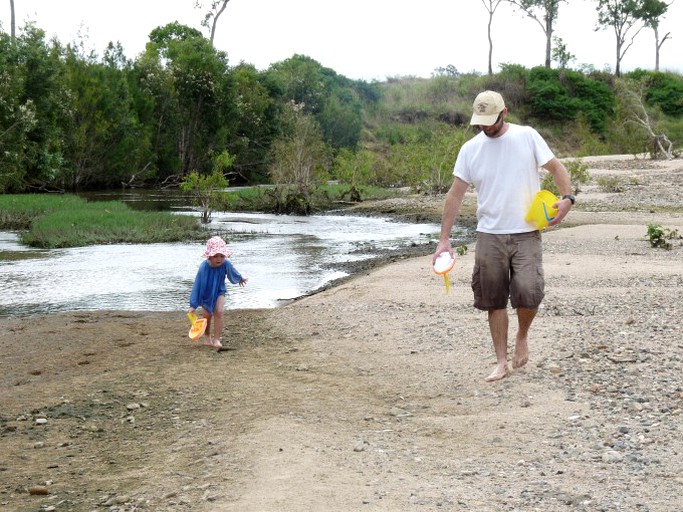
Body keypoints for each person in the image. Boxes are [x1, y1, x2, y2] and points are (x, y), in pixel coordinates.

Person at [433, 90, 574, 382]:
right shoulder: (470, 149)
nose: (486, 127)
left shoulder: (527, 136)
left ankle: (522, 336)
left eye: (491, 121)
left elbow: (556, 167)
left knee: (529, 292)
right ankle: (501, 361)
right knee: (493, 300)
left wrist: (568, 198)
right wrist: (444, 239)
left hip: (526, 232)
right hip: (489, 235)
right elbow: (456, 194)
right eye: (481, 122)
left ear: (504, 113)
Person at [189, 236, 248, 349]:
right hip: (205, 294)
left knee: (219, 312)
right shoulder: (203, 267)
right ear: (209, 256)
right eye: (215, 256)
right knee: (207, 316)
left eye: (221, 256)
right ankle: (207, 337)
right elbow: (197, 285)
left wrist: (240, 278)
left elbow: (233, 272)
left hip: (219, 291)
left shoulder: (226, 263)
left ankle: (216, 339)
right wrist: (193, 305)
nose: (219, 259)